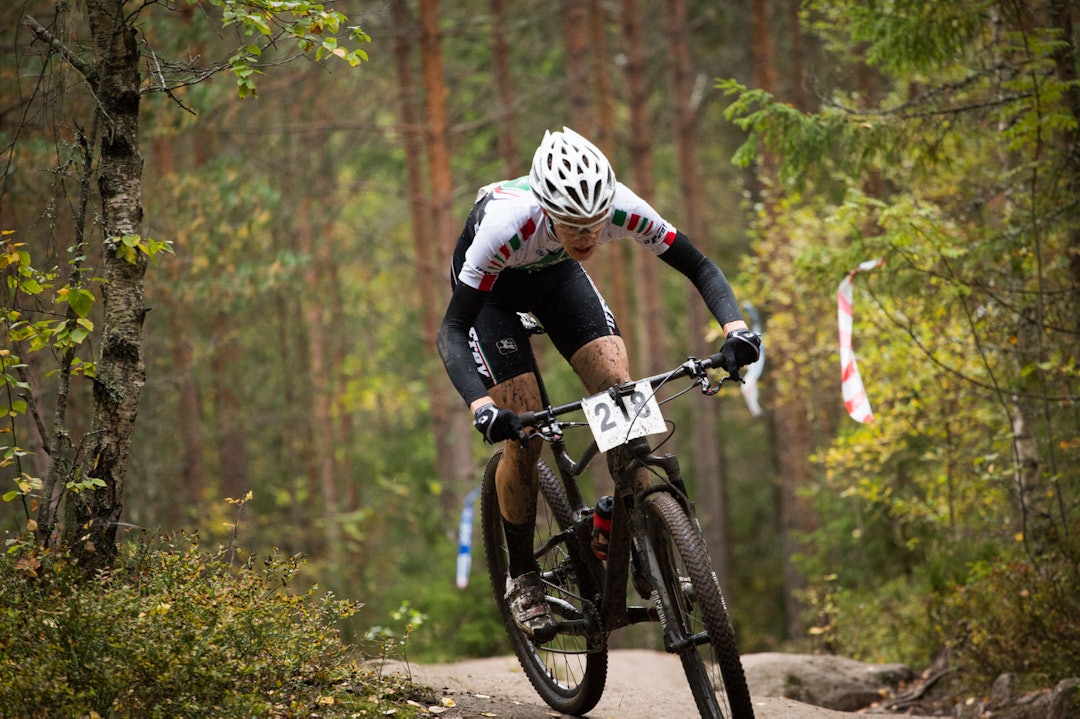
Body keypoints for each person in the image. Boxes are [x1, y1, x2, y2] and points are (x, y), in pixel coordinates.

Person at [436, 127, 761, 643]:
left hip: (559, 280)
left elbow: (699, 265)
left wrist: (736, 328)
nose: (589, 238)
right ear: (546, 210)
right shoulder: (504, 226)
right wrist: (481, 405)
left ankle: (633, 537)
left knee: (620, 390)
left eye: (595, 225)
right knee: (526, 437)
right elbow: (452, 330)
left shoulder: (620, 208)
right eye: (573, 226)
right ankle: (523, 578)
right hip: (493, 299)